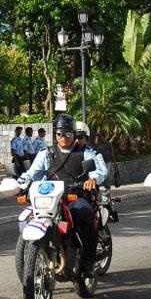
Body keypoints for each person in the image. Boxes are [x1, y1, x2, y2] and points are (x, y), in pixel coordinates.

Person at [17, 114, 106, 277]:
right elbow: (32, 172)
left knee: (85, 214)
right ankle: (32, 257)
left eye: (67, 133)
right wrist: (20, 182)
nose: (63, 137)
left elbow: (100, 171)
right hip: (50, 198)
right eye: (59, 134)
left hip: (76, 196)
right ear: (55, 135)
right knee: (29, 216)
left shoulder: (85, 152)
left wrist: (93, 178)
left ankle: (88, 262)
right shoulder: (46, 153)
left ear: (73, 134)